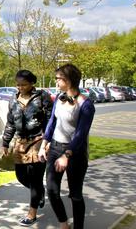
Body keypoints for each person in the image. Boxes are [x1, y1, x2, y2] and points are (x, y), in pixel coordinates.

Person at [39, 64, 95, 229]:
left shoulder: (86, 104)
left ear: (69, 80)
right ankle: (64, 223)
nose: (56, 81)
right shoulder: (59, 98)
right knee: (51, 190)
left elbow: (81, 134)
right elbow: (52, 123)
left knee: (75, 194)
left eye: (59, 78)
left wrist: (67, 155)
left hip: (75, 154)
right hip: (55, 148)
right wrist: (44, 144)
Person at [2, 70, 53, 226]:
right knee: (21, 176)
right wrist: (5, 142)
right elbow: (10, 123)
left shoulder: (42, 97)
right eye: (18, 84)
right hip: (20, 141)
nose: (20, 87)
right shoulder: (13, 100)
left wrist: (49, 139)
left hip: (39, 140)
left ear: (32, 83)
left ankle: (32, 213)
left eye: (23, 84)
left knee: (35, 177)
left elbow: (51, 118)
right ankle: (39, 192)